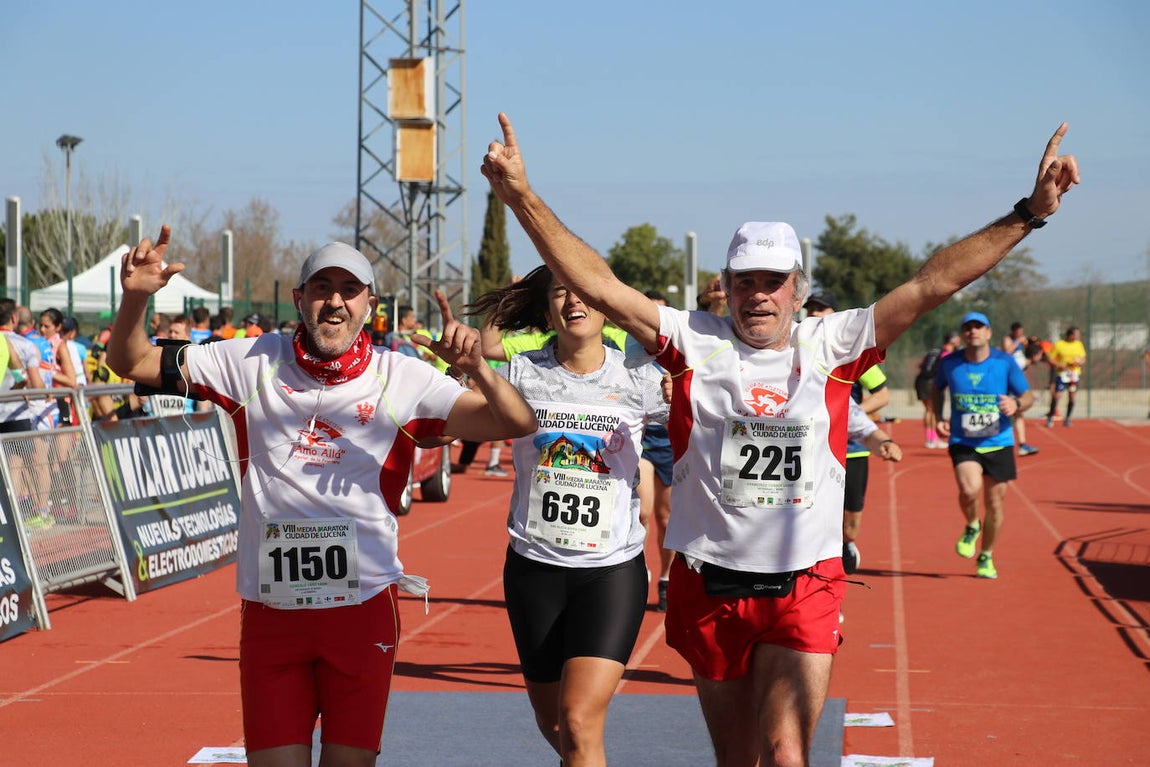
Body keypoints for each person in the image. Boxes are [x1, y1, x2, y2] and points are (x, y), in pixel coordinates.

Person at [481, 112, 1077, 766]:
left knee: (786, 751)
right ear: (728, 285)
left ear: (796, 286)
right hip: (711, 585)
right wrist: (521, 198)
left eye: (773, 281)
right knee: (738, 757)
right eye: (745, 281)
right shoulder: (693, 341)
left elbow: (934, 283)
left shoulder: (836, 342)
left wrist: (1029, 213)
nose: (758, 295)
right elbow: (598, 284)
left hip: (805, 584)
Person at [108, 228, 536, 767]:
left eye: (349, 289)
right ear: (299, 298)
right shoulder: (250, 360)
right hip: (272, 613)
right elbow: (134, 362)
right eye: (321, 287)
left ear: (370, 305)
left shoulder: (400, 376)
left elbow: (515, 422)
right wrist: (137, 297)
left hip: (362, 611)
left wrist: (476, 368)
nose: (334, 301)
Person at [467, 264, 667, 767]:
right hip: (533, 569)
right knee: (553, 722)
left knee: (578, 719)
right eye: (560, 293)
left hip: (611, 573)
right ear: (547, 309)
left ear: (606, 305)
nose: (573, 302)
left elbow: (712, 414)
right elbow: (451, 421)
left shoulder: (640, 377)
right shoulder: (521, 372)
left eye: (583, 293)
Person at [930, 312, 1033, 580]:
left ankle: (986, 555)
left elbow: (1028, 394)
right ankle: (972, 525)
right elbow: (935, 388)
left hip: (998, 441)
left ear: (988, 332)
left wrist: (1017, 404)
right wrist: (939, 416)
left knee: (995, 504)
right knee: (969, 489)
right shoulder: (950, 363)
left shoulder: (1005, 362)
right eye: (967, 327)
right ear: (963, 334)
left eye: (979, 327)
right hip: (963, 441)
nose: (973, 331)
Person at [803, 290, 888, 574]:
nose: (814, 314)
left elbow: (883, 395)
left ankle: (846, 543)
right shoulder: (796, 351)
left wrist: (847, 416)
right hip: (812, 449)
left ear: (835, 316)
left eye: (821, 309)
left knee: (850, 524)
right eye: (811, 309)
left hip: (853, 449)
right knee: (812, 518)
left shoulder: (849, 356)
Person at [915, 331, 960, 449]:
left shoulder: (933, 351)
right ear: (953, 340)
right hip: (931, 382)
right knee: (933, 411)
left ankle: (930, 438)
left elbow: (921, 365)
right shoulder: (946, 354)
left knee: (928, 410)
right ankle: (932, 439)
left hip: (921, 380)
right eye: (957, 338)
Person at [1001, 321, 1039, 455]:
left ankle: (1022, 444)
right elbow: (1007, 351)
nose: (1021, 335)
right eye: (1018, 333)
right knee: (1008, 413)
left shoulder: (1022, 352)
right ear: (1013, 332)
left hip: (1014, 384)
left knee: (1018, 413)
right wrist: (1017, 341)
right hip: (1006, 383)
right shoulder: (1008, 340)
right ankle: (1005, 443)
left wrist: (1031, 341)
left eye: (1022, 333)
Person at [1045, 325, 1086, 428]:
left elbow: (1083, 358)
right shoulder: (1059, 344)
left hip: (1074, 375)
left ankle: (1067, 418)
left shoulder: (1079, 344)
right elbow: (1050, 358)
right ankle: (1050, 417)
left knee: (1072, 397)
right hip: (1062, 374)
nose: (1078, 336)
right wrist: (1059, 364)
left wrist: (1080, 361)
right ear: (1070, 335)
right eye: (1077, 334)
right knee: (1057, 395)